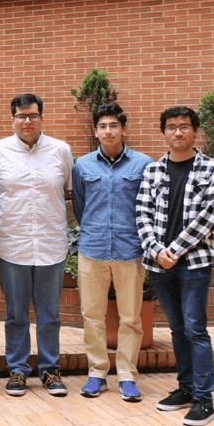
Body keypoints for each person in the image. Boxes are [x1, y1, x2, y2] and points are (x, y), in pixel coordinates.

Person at [136, 106, 214, 426]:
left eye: (184, 126)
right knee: (176, 328)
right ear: (164, 132)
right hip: (161, 264)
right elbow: (142, 213)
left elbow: (208, 217)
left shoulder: (212, 169)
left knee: (195, 329)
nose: (178, 132)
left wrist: (172, 250)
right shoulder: (153, 171)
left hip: (194, 264)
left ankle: (203, 398)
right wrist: (156, 250)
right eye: (171, 126)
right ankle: (186, 388)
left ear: (195, 131)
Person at [0, 93, 73, 398]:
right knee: (16, 314)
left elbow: (69, 193)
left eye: (33, 115)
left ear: (41, 118)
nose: (27, 121)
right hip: (12, 245)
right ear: (12, 119)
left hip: (50, 244)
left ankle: (50, 370)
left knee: (50, 315)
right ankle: (18, 370)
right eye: (21, 116)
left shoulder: (61, 151)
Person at [72, 103, 152, 402]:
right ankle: (97, 373)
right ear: (96, 131)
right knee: (92, 315)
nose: (108, 131)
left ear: (123, 130)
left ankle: (127, 376)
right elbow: (80, 206)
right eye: (103, 126)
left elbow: (149, 206)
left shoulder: (143, 164)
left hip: (130, 250)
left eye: (113, 126)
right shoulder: (82, 165)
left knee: (130, 317)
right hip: (92, 249)